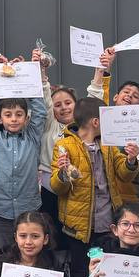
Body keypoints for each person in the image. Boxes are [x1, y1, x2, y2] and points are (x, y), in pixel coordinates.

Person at [49, 97, 139, 277]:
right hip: (80, 229)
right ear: (96, 121)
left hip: (107, 226)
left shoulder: (109, 145)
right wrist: (63, 174)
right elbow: (57, 187)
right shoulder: (65, 145)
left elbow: (123, 173)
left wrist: (131, 160)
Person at [0, 50, 49, 256]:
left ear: (27, 118)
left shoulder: (33, 137)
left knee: (30, 259)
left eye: (19, 114)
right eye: (8, 115)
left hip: (30, 212)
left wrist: (29, 76)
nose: (14, 119)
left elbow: (41, 111)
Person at [39, 85, 77, 223]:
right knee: (50, 228)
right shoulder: (50, 126)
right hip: (49, 188)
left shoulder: (85, 128)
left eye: (68, 103)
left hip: (77, 187)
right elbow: (45, 101)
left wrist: (100, 75)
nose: (64, 108)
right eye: (58, 105)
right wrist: (43, 79)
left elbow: (95, 98)